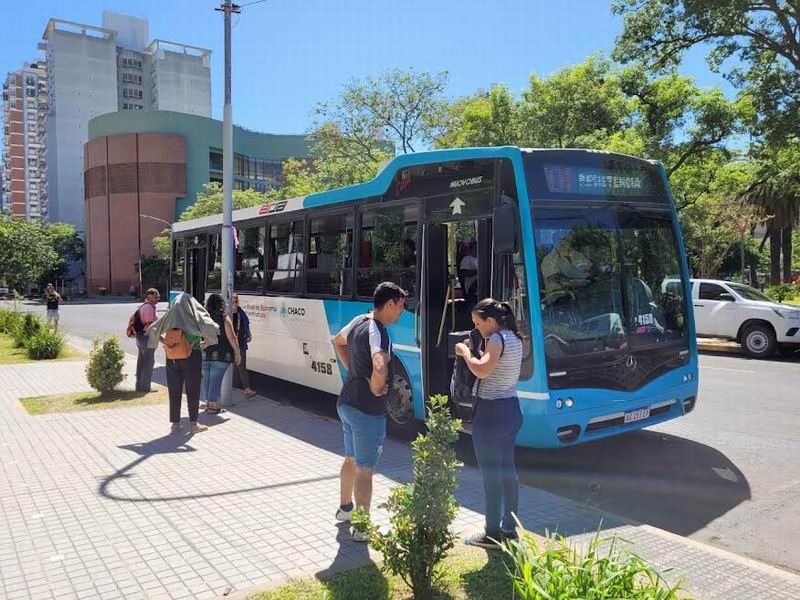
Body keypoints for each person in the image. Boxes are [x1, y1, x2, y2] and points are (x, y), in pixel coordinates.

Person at [332, 282, 407, 542]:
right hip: (367, 408)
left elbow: (337, 341)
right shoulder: (379, 331)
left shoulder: (358, 320)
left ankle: (345, 509)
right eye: (400, 306)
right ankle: (362, 527)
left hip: (347, 401)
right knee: (365, 468)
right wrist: (376, 386)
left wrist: (354, 370)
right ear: (389, 305)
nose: (402, 312)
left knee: (350, 458)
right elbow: (380, 364)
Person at [455, 298, 524, 549]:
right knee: (508, 471)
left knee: (490, 476)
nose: (477, 329)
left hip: (491, 414)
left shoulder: (496, 339)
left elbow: (482, 371)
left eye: (478, 323)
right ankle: (510, 528)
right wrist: (477, 351)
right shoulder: (515, 339)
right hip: (511, 410)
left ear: (491, 321)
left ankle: (492, 533)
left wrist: (465, 353)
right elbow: (494, 367)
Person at [147, 292, 220, 434]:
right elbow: (213, 328)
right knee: (193, 392)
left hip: (172, 358)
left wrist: (167, 344)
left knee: (174, 392)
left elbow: (152, 330)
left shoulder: (170, 318)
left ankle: (175, 425)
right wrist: (207, 342)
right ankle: (193, 425)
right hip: (192, 357)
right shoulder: (195, 318)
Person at [202, 294, 242, 414]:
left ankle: (208, 403)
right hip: (222, 353)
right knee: (215, 379)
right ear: (221, 304)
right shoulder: (224, 318)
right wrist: (238, 353)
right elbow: (232, 338)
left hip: (205, 353)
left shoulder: (204, 318)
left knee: (207, 379)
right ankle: (213, 406)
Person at [134, 288, 160, 393]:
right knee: (148, 362)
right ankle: (145, 387)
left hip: (140, 337)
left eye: (158, 297)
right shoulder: (149, 308)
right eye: (156, 296)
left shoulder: (143, 306)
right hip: (147, 337)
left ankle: (139, 386)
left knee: (141, 362)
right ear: (149, 296)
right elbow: (150, 325)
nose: (158, 298)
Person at [231, 293, 256, 399]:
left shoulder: (241, 312)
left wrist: (249, 334)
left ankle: (246, 389)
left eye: (237, 299)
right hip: (230, 343)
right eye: (233, 299)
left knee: (241, 365)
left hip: (241, 343)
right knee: (230, 366)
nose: (236, 301)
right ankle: (233, 386)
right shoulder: (227, 314)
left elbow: (246, 323)